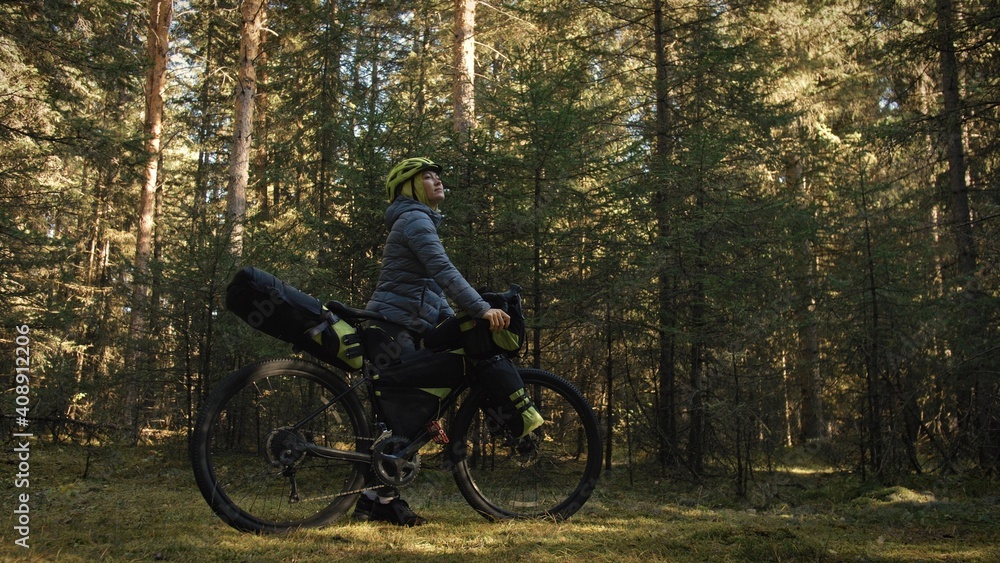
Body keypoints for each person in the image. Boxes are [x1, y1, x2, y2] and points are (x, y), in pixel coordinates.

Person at [352, 157, 518, 527]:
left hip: (406, 325)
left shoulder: (416, 219)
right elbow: (444, 272)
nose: (438, 181)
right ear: (410, 187)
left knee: (410, 414)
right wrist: (479, 309)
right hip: (393, 327)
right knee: (408, 411)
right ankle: (383, 499)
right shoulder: (415, 220)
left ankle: (375, 499)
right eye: (427, 177)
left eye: (438, 176)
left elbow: (430, 289)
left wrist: (457, 321)